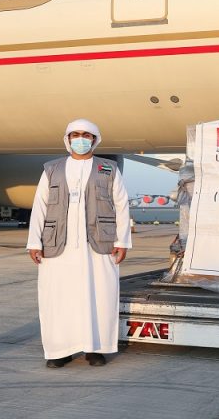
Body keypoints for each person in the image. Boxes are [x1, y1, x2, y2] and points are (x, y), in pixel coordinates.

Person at [27, 119, 132, 368]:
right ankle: (59, 351)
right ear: (68, 139)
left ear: (95, 140)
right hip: (57, 245)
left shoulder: (108, 168)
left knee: (99, 296)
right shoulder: (52, 168)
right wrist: (34, 242)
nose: (81, 139)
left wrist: (122, 241)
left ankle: (95, 349)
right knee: (58, 297)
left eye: (86, 135)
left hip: (99, 245)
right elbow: (40, 205)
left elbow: (121, 204)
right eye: (75, 135)